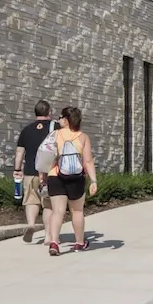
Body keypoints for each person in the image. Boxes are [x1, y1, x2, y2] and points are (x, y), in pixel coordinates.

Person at [42, 107, 97, 256]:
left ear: (66, 120)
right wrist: (93, 181)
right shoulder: (83, 137)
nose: (59, 120)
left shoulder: (54, 135)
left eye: (61, 117)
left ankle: (54, 242)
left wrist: (42, 175)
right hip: (76, 178)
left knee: (57, 211)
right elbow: (88, 161)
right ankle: (79, 243)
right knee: (77, 211)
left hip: (55, 175)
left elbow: (44, 156)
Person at [13, 100, 56, 243]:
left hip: (30, 171)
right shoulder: (55, 127)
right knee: (48, 203)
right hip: (49, 172)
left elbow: (19, 152)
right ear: (49, 112)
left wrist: (17, 169)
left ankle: (31, 224)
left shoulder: (26, 130)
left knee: (31, 200)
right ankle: (48, 236)